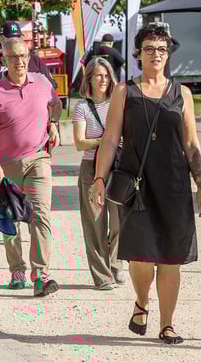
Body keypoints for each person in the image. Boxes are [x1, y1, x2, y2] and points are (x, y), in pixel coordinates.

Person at [90, 21, 201, 345]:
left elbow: (192, 144)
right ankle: (142, 301)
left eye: (161, 49)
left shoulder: (181, 93)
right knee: (141, 257)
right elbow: (111, 138)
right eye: (149, 49)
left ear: (168, 53)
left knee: (171, 258)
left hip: (174, 186)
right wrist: (99, 179)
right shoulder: (123, 91)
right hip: (138, 187)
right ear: (138, 54)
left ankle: (167, 324)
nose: (155, 54)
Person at [0, 37, 63, 296]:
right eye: (14, 57)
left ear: (29, 57)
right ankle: (16, 269)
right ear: (4, 60)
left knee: (40, 215)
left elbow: (57, 104)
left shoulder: (41, 83)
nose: (20, 61)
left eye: (24, 56)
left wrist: (53, 123)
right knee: (11, 219)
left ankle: (40, 274)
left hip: (38, 158)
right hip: (7, 165)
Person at [73, 57, 126, 290]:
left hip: (118, 167)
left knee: (118, 222)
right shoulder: (82, 107)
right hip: (90, 168)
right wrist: (107, 141)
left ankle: (115, 264)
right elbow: (79, 142)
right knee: (94, 224)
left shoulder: (118, 102)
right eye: (98, 75)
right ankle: (101, 275)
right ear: (89, 79)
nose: (103, 80)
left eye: (106, 75)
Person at [0, 20, 54, 147]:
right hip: (4, 131)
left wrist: (52, 123)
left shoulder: (35, 62)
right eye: (9, 39)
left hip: (36, 131)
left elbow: (51, 95)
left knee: (41, 165)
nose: (14, 42)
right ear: (1, 40)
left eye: (17, 38)